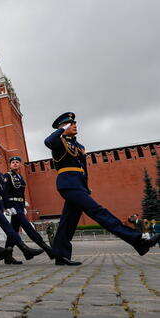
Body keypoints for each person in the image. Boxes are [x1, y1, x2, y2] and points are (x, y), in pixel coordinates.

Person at [45, 112, 159, 265]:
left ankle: (60, 254)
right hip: (68, 183)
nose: (74, 125)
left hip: (79, 185)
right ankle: (137, 240)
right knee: (98, 212)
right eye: (70, 123)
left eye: (74, 123)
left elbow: (83, 168)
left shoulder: (79, 146)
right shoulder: (58, 141)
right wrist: (62, 130)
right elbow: (48, 141)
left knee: (68, 221)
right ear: (62, 126)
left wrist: (85, 186)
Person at [0, 150, 43, 265]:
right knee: (8, 227)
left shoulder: (0, 174)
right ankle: (25, 249)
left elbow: (4, 193)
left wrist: (6, 206)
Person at [1, 156, 55, 262]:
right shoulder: (7, 176)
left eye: (17, 162)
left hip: (19, 206)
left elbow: (21, 193)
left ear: (20, 164)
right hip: (13, 207)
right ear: (10, 165)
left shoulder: (20, 177)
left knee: (14, 232)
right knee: (28, 227)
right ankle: (48, 249)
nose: (15, 164)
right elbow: (4, 192)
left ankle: (8, 256)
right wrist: (7, 207)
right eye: (13, 162)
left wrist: (23, 203)